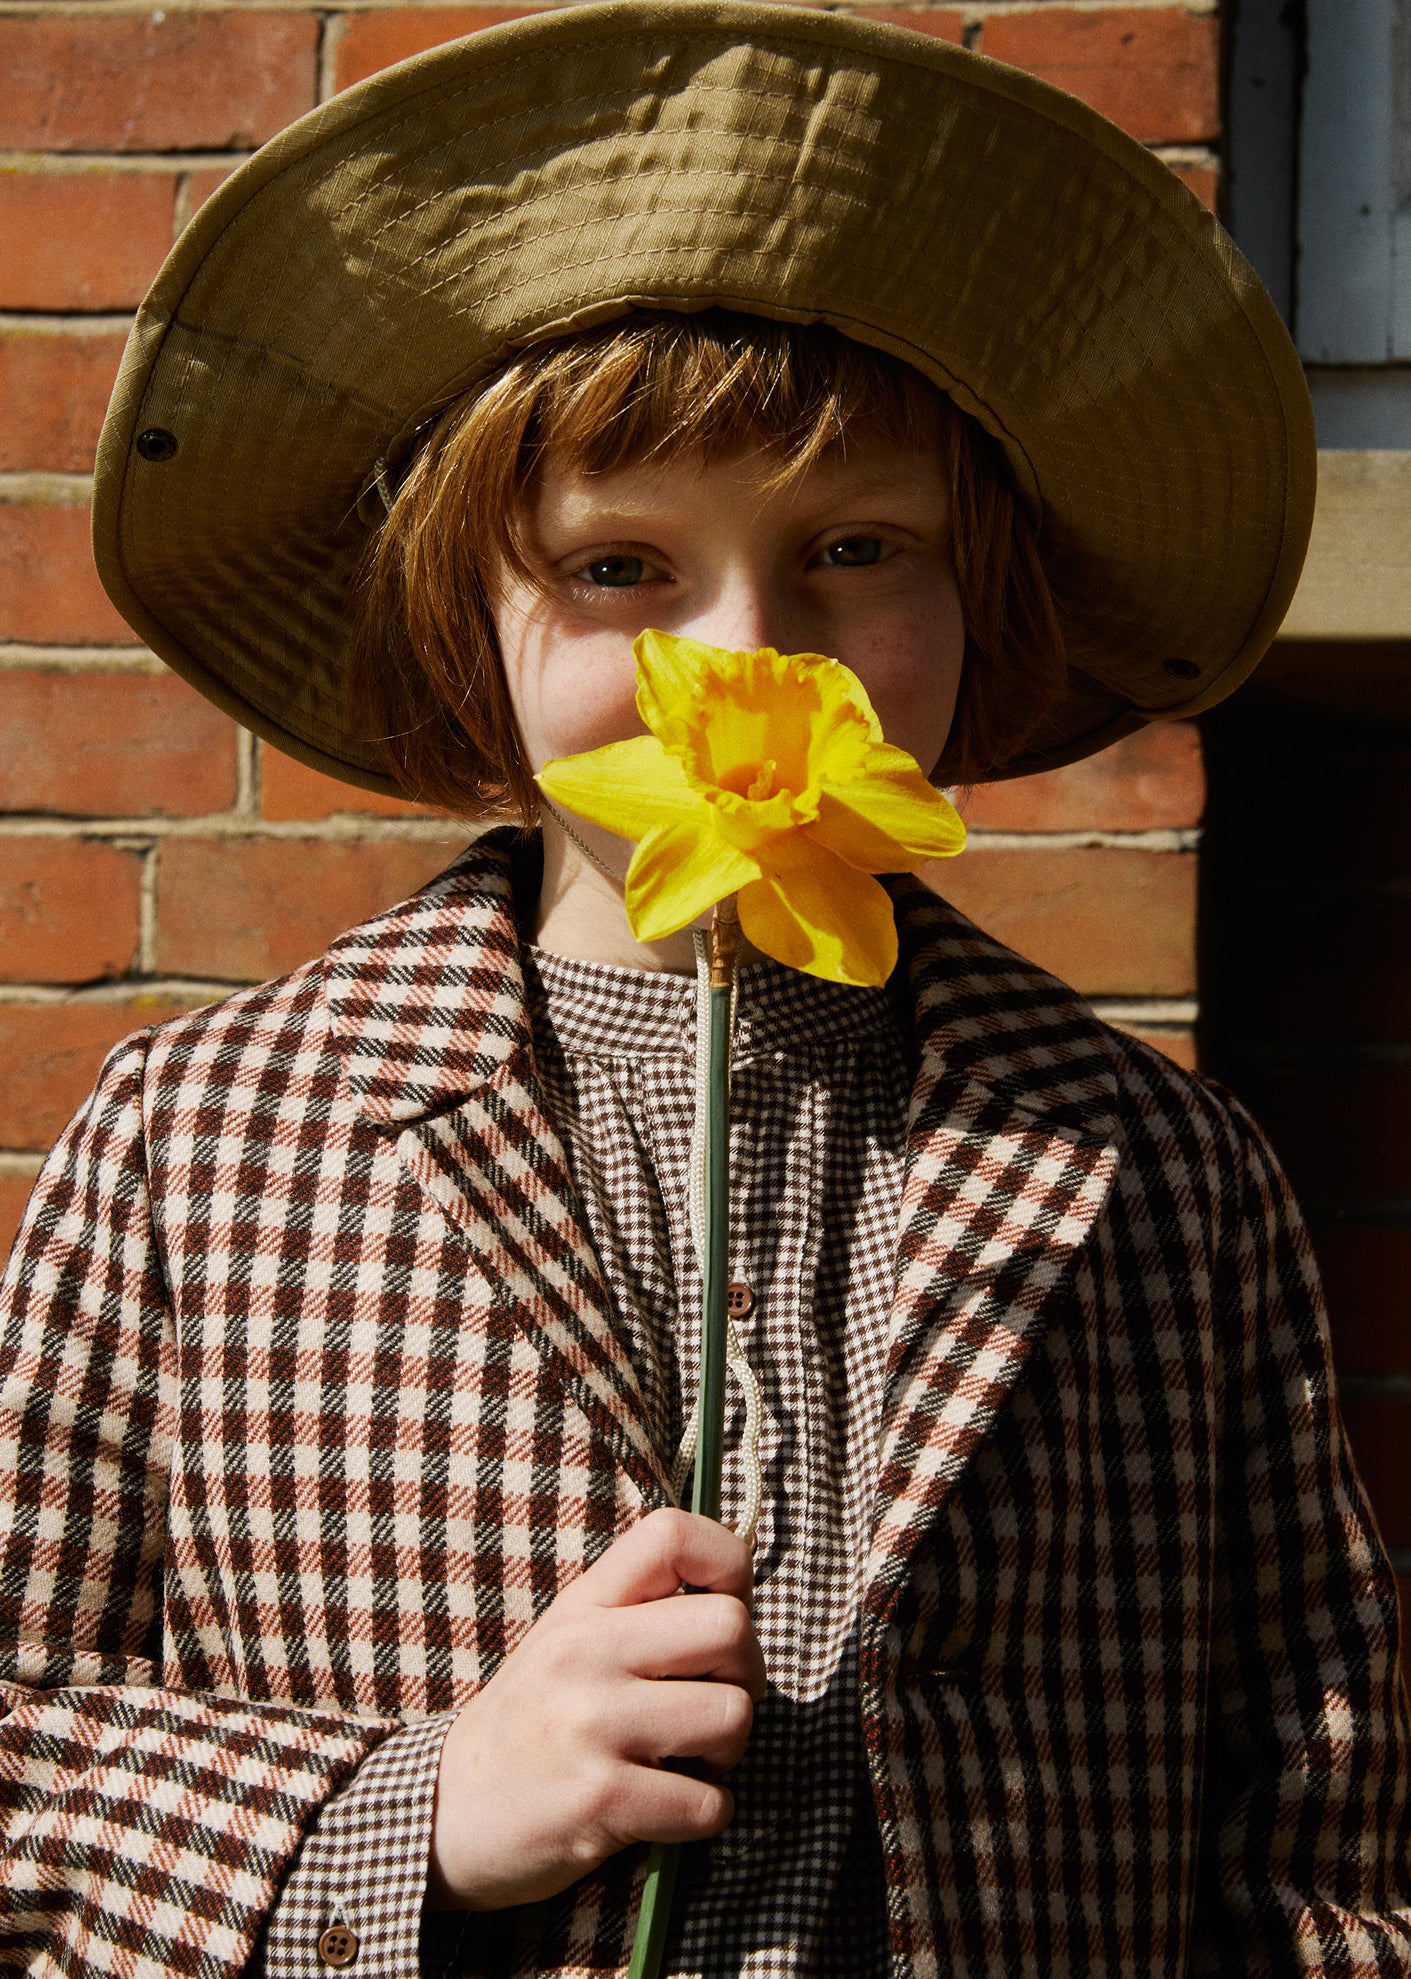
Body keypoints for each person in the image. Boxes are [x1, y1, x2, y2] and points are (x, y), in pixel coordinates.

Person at [3, 4, 1408, 1976]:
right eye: (618, 569)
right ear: (454, 616)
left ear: (974, 596)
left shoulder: (1161, 1175)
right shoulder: (198, 1147)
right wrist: (409, 1811)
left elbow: (1314, 1831)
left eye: (852, 548)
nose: (750, 652)